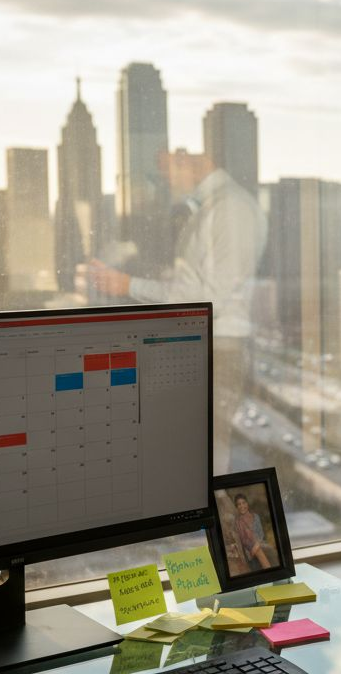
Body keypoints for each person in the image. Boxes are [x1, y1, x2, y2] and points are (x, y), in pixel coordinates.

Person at [87, 149, 266, 473]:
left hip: (217, 348)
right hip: (204, 345)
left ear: (195, 160)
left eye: (169, 168)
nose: (165, 179)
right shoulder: (214, 208)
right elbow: (198, 283)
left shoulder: (230, 210)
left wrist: (128, 285)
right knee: (188, 455)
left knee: (207, 459)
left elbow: (211, 298)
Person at [232, 493, 274, 571]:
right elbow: (243, 540)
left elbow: (261, 534)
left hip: (260, 543)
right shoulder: (237, 522)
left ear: (247, 503)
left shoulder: (255, 517)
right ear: (237, 507)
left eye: (244, 503)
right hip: (249, 548)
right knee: (259, 551)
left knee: (262, 549)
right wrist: (254, 548)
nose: (242, 506)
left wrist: (256, 546)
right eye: (239, 504)